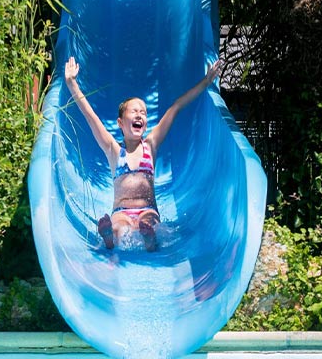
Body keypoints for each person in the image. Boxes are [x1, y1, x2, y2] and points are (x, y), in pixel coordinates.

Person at [64, 56, 222, 251]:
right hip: (121, 210)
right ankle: (109, 237)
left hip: (147, 210)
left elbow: (176, 107)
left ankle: (148, 239)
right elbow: (90, 116)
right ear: (120, 123)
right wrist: (72, 84)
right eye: (134, 111)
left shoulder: (150, 145)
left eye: (144, 113)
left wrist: (206, 82)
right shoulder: (114, 150)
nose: (140, 115)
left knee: (150, 223)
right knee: (120, 227)